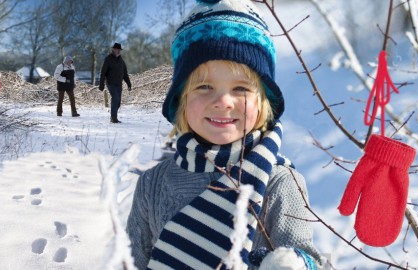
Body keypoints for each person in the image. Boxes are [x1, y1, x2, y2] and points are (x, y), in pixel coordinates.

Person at [126, 0, 322, 269]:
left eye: (241, 88)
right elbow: (132, 261)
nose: (223, 101)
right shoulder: (152, 185)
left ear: (264, 102)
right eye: (204, 86)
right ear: (181, 99)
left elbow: (307, 256)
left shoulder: (280, 183)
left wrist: (293, 263)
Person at [98, 42, 132, 123]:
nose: (118, 51)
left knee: (118, 102)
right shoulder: (108, 59)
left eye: (119, 50)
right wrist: (101, 84)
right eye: (117, 49)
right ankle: (114, 117)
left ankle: (113, 116)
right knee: (115, 98)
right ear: (113, 49)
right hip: (110, 83)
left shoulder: (121, 61)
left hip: (119, 84)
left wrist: (128, 83)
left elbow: (125, 74)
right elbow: (103, 72)